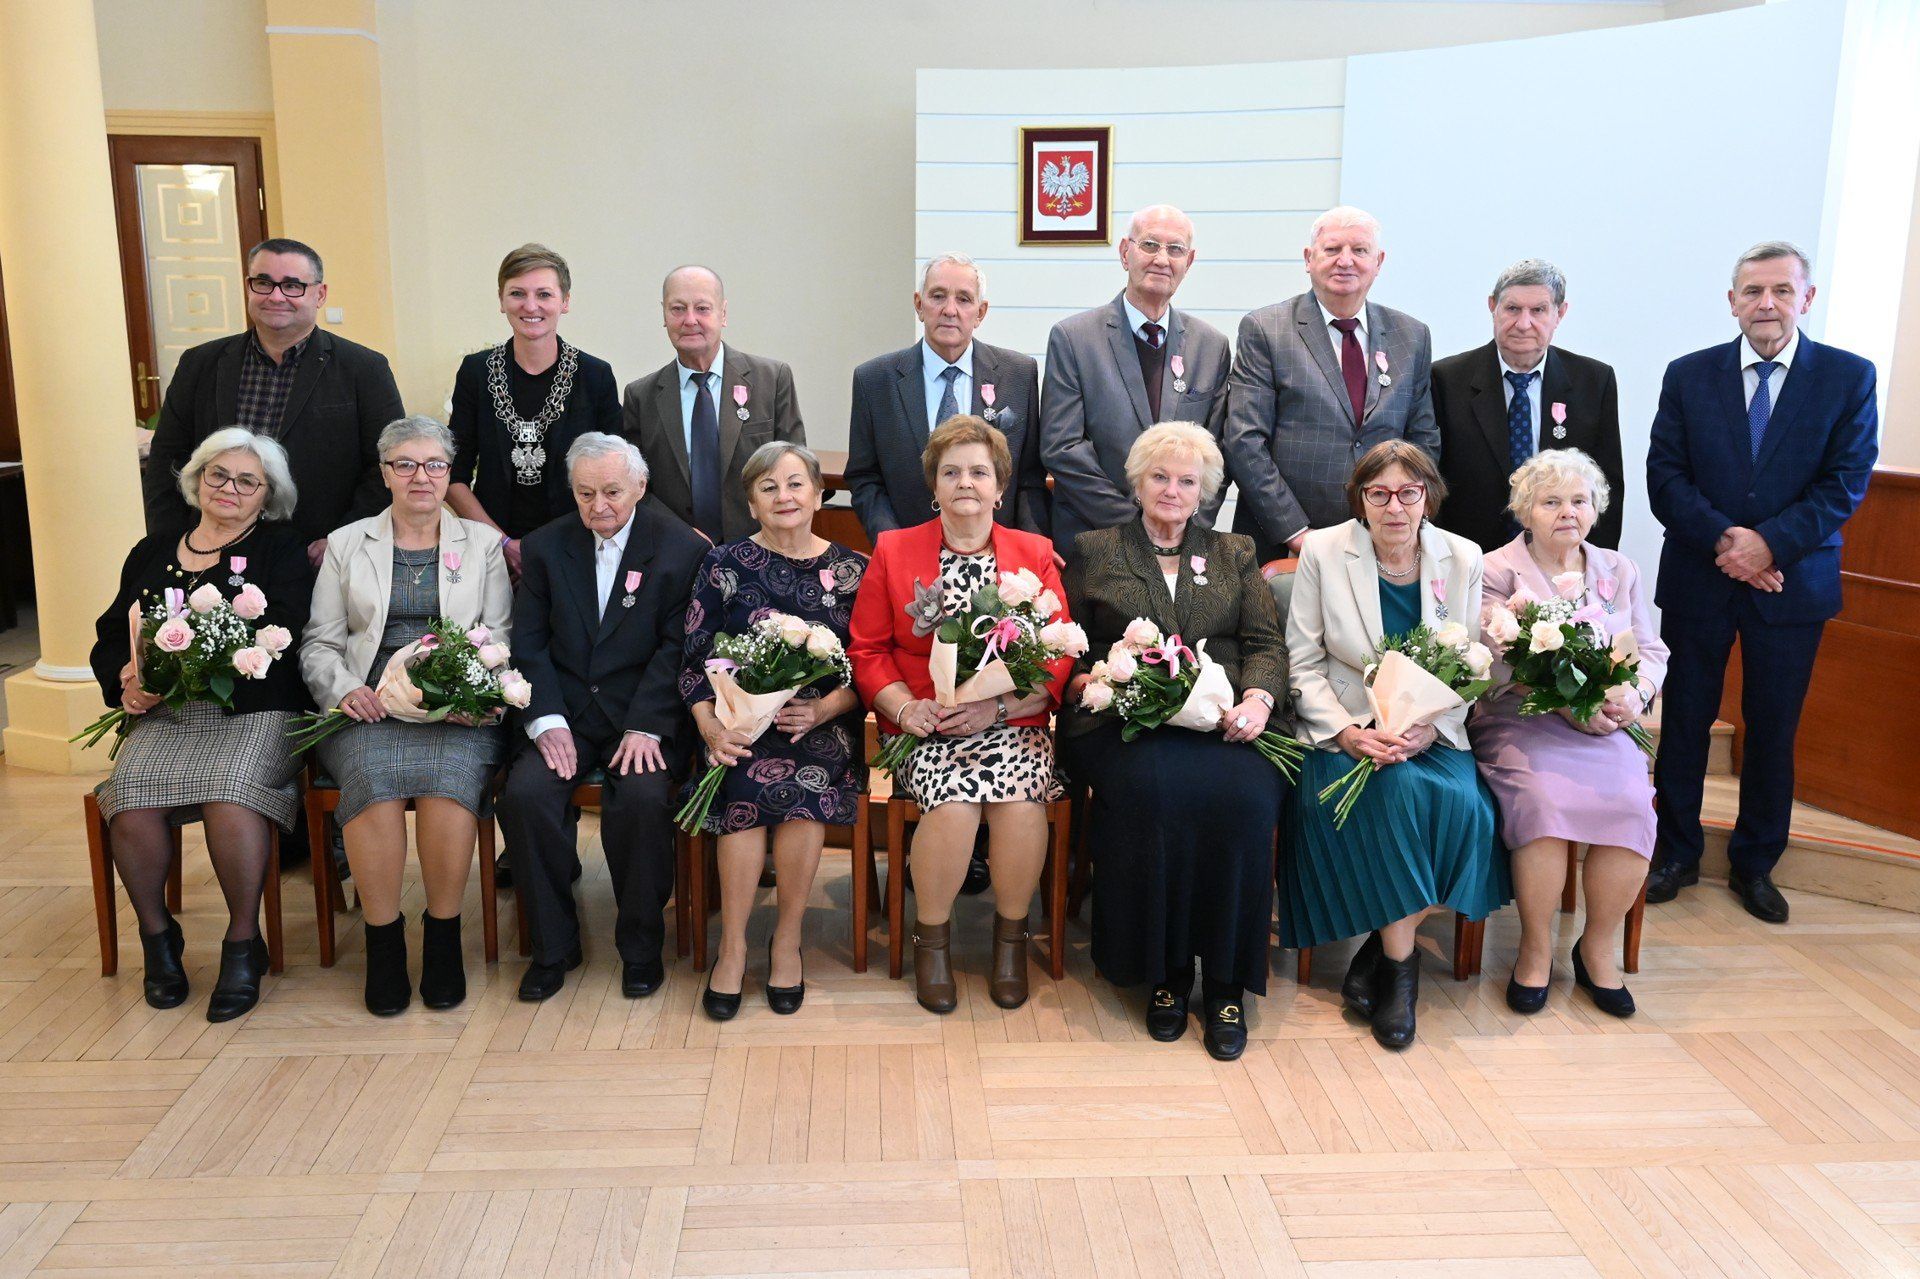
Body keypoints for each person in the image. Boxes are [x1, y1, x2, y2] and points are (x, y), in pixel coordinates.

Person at [1645, 241, 1878, 923]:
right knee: (1685, 721)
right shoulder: (1689, 375)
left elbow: (1845, 483)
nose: (1766, 303)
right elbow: (1667, 477)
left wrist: (1768, 543)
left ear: (1806, 298)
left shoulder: (1847, 376)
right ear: (1732, 301)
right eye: (1752, 291)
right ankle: (1675, 852)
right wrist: (1728, 541)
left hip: (1792, 584)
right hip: (1700, 575)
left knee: (1773, 727)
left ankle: (1755, 864)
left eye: (1781, 290)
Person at [1059, 423, 1287, 1061]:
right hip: (1126, 724)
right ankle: (1161, 973)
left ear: (1205, 491)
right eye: (1160, 476)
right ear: (1137, 482)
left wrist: (1258, 700)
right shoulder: (1096, 548)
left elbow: (1266, 645)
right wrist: (1090, 682)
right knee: (1156, 794)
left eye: (1187, 480)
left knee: (1244, 803)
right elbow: (1066, 643)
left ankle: (1225, 982)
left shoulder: (1236, 551)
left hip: (1227, 726)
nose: (1172, 490)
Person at [1283, 441, 1508, 1050]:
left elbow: (1471, 663)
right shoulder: (1325, 552)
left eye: (1408, 493)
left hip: (1430, 731)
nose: (1394, 507)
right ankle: (1402, 977)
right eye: (1378, 494)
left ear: (1427, 497)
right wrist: (1348, 733)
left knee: (1461, 806)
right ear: (1360, 500)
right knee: (1397, 792)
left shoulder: (1462, 556)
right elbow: (1301, 664)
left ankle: (1379, 959)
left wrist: (1432, 725)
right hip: (1345, 731)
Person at [849, 417, 1072, 1014]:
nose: (965, 483)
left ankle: (1010, 942)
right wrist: (905, 705)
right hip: (928, 725)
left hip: (1010, 722)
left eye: (979, 471)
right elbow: (866, 650)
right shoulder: (895, 550)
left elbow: (1058, 656)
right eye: (952, 472)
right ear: (934, 486)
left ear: (1000, 487)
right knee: (953, 802)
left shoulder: (1034, 554)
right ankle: (933, 944)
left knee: (1021, 801)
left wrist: (996, 708)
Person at [90, 429, 312, 1022]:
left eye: (247, 481)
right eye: (219, 475)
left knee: (231, 799)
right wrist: (126, 681)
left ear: (266, 496)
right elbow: (114, 630)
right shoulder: (152, 548)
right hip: (167, 713)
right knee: (130, 800)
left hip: (256, 710)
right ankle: (159, 939)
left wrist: (215, 662)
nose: (230, 488)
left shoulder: (281, 550)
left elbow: (287, 632)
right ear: (196, 481)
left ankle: (243, 942)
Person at [300, 417, 512, 1016]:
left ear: (451, 473)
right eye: (406, 465)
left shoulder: (483, 545)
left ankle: (443, 937)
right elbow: (319, 643)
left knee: (451, 784)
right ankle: (384, 941)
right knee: (374, 781)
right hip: (367, 709)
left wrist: (468, 693)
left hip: (456, 711)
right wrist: (343, 690)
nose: (421, 476)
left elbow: (497, 637)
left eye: (435, 465)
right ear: (385, 473)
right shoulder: (346, 544)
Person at [498, 433, 709, 1002]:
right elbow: (530, 645)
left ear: (640, 487)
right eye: (585, 493)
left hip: (642, 714)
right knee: (524, 796)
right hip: (564, 713)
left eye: (612, 491)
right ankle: (552, 947)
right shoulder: (544, 547)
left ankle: (640, 947)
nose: (599, 507)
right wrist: (546, 721)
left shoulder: (679, 550)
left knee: (641, 801)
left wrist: (648, 724)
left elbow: (678, 648)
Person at [1470, 449, 1666, 1017]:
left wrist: (1635, 695)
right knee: (1545, 804)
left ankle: (1596, 949)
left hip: (1606, 725)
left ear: (1595, 509)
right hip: (1522, 720)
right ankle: (1534, 951)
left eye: (1578, 500)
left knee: (1632, 804)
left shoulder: (1616, 568)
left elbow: (1650, 651)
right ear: (1524, 511)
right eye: (1550, 501)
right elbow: (1492, 663)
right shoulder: (1495, 570)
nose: (1567, 512)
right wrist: (1563, 708)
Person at [680, 443, 868, 1019]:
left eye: (794, 484)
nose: (784, 496)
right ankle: (733, 947)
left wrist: (826, 708)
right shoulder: (724, 564)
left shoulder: (854, 569)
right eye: (769, 487)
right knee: (740, 781)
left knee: (806, 788)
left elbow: (872, 669)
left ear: (818, 494)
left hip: (818, 720)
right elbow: (693, 662)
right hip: (737, 721)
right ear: (752, 502)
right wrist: (712, 729)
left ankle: (787, 939)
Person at [144, 237, 405, 563]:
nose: (276, 296)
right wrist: (172, 541)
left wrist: (344, 540)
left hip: (317, 557)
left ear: (320, 294)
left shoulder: (364, 368)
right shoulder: (200, 364)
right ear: (249, 287)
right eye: (264, 283)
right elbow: (166, 460)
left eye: (293, 285)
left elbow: (387, 466)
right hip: (211, 553)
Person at [1224, 207, 1439, 563]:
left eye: (1359, 250)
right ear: (1309, 259)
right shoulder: (1266, 329)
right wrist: (1296, 535)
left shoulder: (1411, 336)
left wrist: (1397, 518)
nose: (1346, 261)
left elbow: (1423, 438)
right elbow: (1245, 441)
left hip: (1384, 544)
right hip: (1285, 545)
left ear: (1379, 261)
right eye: (1332, 249)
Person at [1041, 207, 1232, 552]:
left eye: (1175, 249)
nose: (1162, 259)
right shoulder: (1074, 339)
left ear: (1188, 262)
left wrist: (1182, 529)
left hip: (1182, 545)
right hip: (1095, 541)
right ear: (1124, 253)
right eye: (1150, 245)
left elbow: (1217, 456)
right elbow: (1062, 447)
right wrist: (1137, 528)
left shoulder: (1211, 347)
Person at [446, 243, 621, 578]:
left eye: (544, 294)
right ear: (501, 300)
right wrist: (502, 543)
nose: (530, 306)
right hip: (492, 551)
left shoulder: (594, 375)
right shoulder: (475, 372)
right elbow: (455, 477)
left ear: (564, 302)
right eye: (517, 293)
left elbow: (615, 477)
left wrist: (553, 547)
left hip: (578, 548)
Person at [847, 253, 1048, 539]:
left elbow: (1029, 478)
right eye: (938, 296)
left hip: (998, 555)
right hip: (907, 552)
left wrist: (1029, 547)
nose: (949, 310)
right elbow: (865, 477)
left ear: (981, 312)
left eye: (964, 299)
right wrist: (892, 543)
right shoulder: (875, 380)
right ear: (919, 304)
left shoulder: (1018, 374)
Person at [1432, 259, 1624, 552]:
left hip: (1562, 562)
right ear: (1492, 306)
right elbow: (1434, 481)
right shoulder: (1446, 380)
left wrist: (1593, 566)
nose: (1523, 324)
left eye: (1538, 310)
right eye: (1512, 309)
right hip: (1469, 557)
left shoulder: (1594, 381)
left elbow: (1607, 487)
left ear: (1559, 313)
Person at [621, 266, 805, 544]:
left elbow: (797, 470)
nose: (690, 320)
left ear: (724, 313)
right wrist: (679, 534)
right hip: (677, 553)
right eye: (678, 309)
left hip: (762, 549)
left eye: (702, 308)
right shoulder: (641, 396)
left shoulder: (772, 379)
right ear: (664, 315)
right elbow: (636, 487)